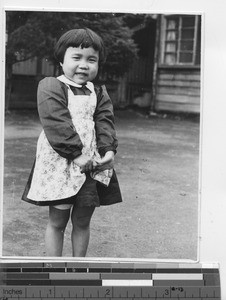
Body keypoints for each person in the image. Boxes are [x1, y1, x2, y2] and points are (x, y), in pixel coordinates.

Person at [22, 28, 122, 257]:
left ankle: (79, 269)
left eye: (91, 59)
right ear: (61, 60)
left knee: (82, 220)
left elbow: (105, 122)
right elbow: (55, 122)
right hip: (61, 162)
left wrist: (108, 151)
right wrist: (76, 154)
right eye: (76, 58)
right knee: (58, 221)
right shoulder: (51, 86)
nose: (84, 65)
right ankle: (54, 270)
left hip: (91, 166)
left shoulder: (98, 91)